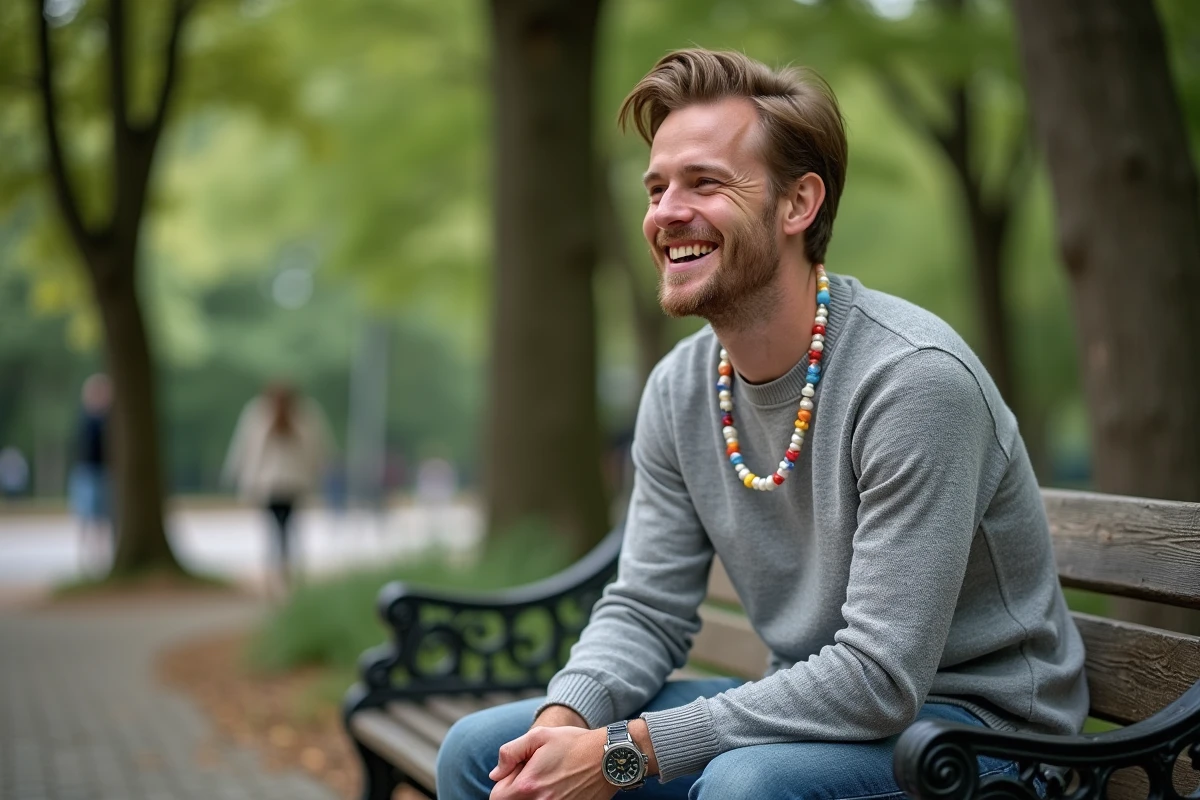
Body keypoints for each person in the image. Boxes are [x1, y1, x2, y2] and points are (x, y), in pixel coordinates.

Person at [435, 49, 1086, 800]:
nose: (665, 212)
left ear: (797, 205)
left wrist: (620, 754)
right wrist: (562, 722)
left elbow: (879, 679)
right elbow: (646, 608)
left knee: (749, 788)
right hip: (811, 711)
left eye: (704, 182)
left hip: (982, 737)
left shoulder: (913, 381)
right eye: (656, 187)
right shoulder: (681, 388)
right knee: (484, 751)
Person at [222, 382, 333, 592]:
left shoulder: (301, 415)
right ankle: (283, 572)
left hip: (283, 484)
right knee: (283, 529)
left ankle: (279, 573)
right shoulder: (262, 414)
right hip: (279, 484)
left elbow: (317, 448)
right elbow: (247, 447)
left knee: (278, 529)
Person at [68, 373, 114, 571]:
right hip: (86, 471)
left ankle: (101, 556)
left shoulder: (109, 420)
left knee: (103, 516)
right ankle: (84, 558)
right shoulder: (85, 418)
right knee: (85, 515)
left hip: (104, 472)